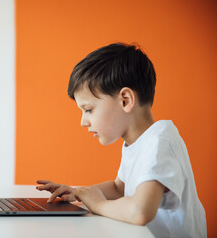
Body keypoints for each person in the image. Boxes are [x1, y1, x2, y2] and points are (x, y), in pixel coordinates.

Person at [36, 43, 207, 238]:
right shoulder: (136, 143)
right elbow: (120, 188)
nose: (83, 122)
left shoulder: (160, 141)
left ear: (125, 100)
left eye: (89, 110)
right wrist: (79, 193)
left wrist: (99, 204)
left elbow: (140, 211)